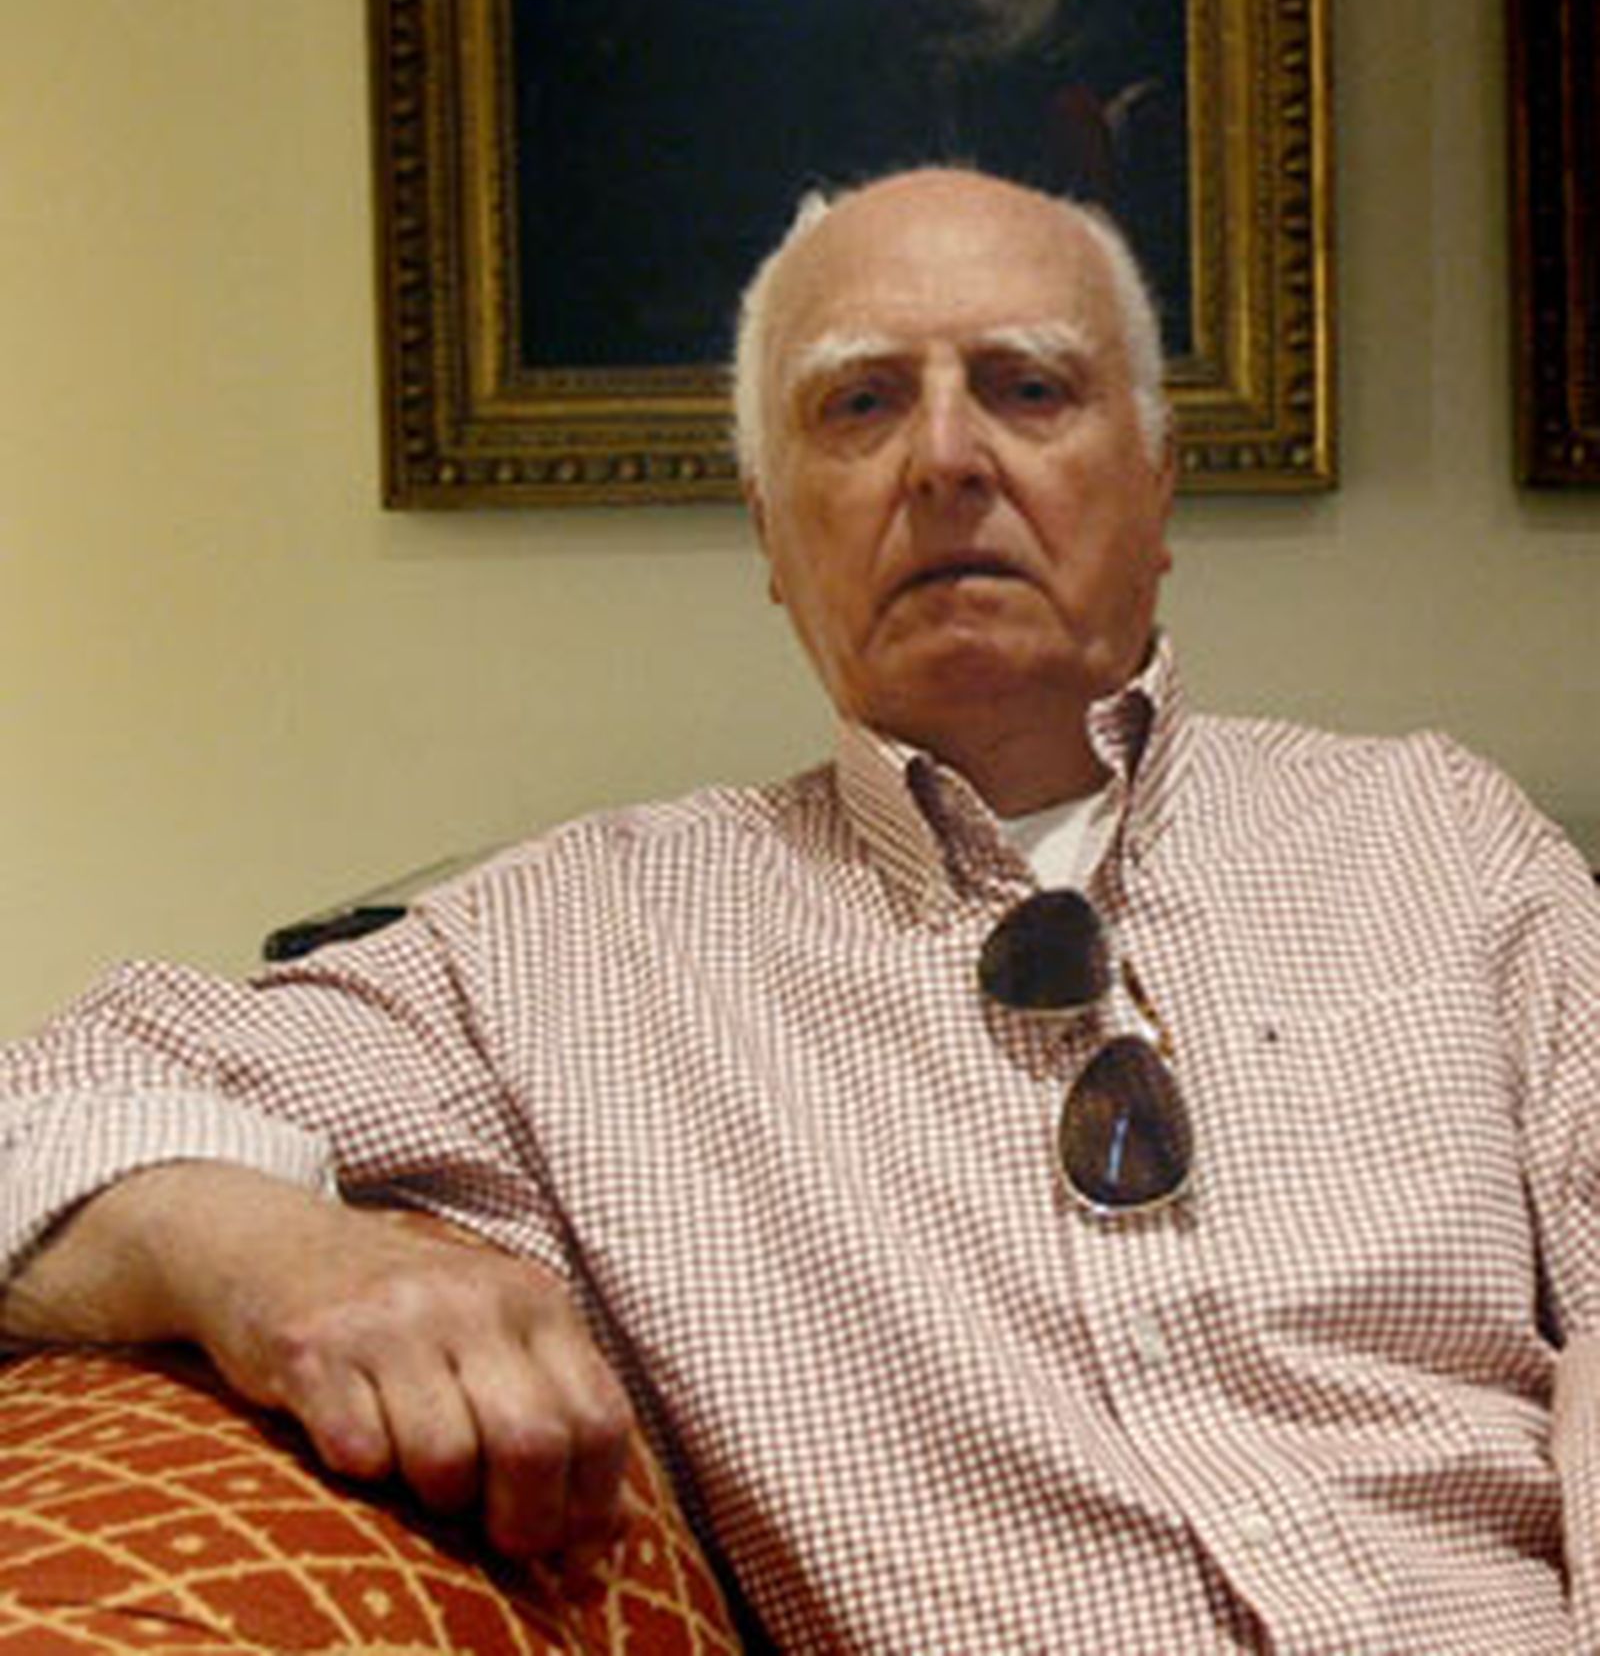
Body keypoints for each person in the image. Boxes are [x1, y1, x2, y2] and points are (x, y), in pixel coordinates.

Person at [2, 166, 1599, 1653]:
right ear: (773, 531)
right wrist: (262, 1256)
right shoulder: (564, 953)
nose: (948, 458)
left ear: (1158, 484)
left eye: (1029, 387)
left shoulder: (1437, 834)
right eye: (860, 403)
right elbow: (40, 1104)